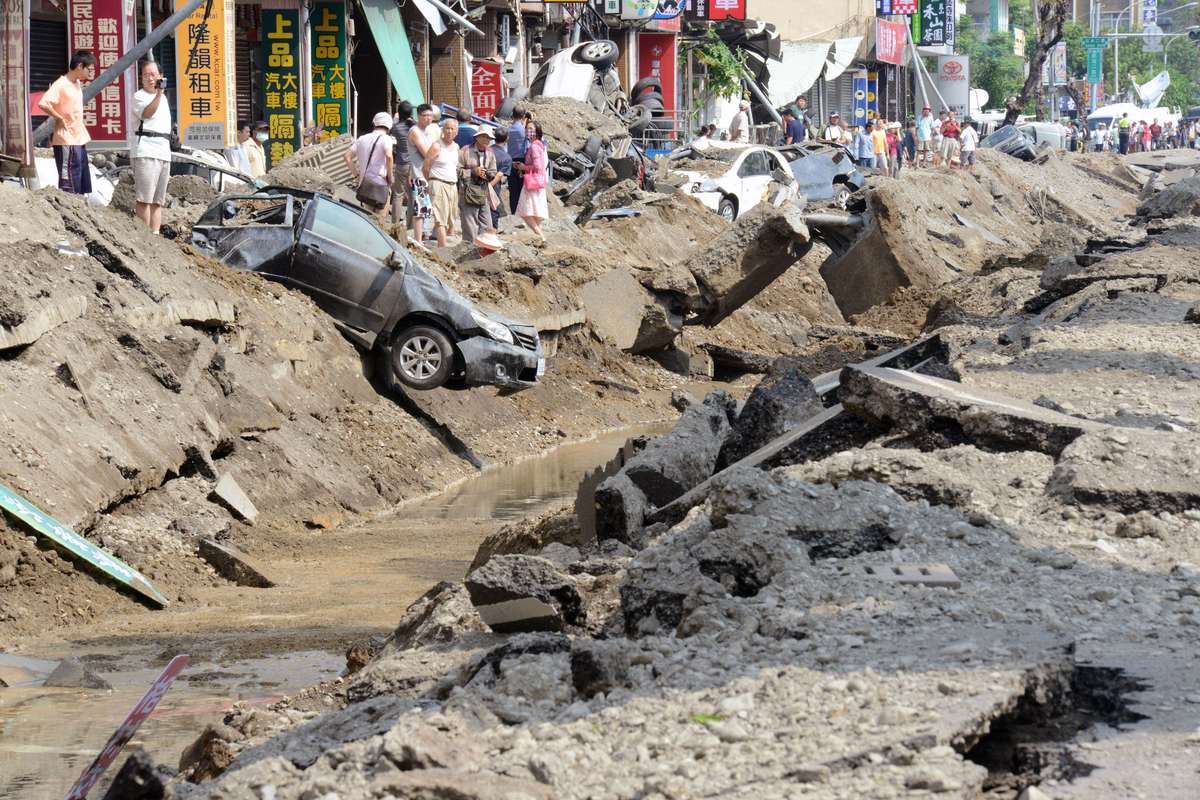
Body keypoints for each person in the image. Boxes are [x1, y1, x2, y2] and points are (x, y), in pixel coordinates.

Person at [39, 50, 96, 195]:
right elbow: (43, 103)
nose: (90, 73)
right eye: (89, 69)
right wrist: (59, 118)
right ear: (80, 66)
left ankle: (80, 206)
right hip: (66, 139)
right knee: (69, 182)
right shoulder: (61, 84)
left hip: (79, 139)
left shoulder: (76, 83)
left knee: (80, 182)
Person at [129, 60, 172, 234]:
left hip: (163, 151)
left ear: (161, 76)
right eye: (145, 75)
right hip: (146, 150)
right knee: (144, 199)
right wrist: (159, 94)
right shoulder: (139, 96)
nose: (149, 78)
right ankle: (144, 237)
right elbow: (147, 114)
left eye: (153, 74)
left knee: (157, 201)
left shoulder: (164, 98)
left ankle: (155, 236)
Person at [344, 112, 395, 217]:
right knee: (379, 221)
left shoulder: (362, 138)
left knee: (367, 218)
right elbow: (389, 156)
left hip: (365, 186)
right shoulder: (386, 139)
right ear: (389, 126)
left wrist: (357, 176)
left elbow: (347, 156)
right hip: (380, 186)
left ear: (374, 123)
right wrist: (390, 178)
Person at [458, 127, 500, 243]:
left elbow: (493, 171)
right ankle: (468, 248)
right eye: (484, 137)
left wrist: (488, 174)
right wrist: (473, 171)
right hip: (467, 192)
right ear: (477, 137)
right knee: (469, 226)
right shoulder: (465, 151)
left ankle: (483, 248)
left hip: (483, 191)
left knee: (487, 225)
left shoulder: (490, 153)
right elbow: (456, 170)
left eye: (489, 138)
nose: (487, 140)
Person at [424, 117, 460, 247]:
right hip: (438, 182)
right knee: (440, 218)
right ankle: (443, 247)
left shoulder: (456, 147)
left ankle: (443, 243)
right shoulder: (436, 145)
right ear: (443, 130)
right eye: (447, 128)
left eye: (452, 129)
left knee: (451, 216)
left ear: (456, 131)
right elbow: (426, 165)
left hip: (452, 184)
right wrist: (430, 182)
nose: (449, 131)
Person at [408, 103, 438, 243]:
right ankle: (418, 240)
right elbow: (427, 153)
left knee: (426, 207)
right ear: (418, 116)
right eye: (425, 115)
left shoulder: (428, 131)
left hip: (428, 174)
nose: (428, 118)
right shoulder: (415, 131)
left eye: (430, 115)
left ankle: (424, 236)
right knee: (420, 209)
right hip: (419, 175)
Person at [517, 120, 549, 241]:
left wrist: (523, 167)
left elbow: (537, 167)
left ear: (537, 131)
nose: (528, 131)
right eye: (527, 128)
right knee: (535, 213)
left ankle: (541, 236)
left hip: (532, 182)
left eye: (530, 129)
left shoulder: (534, 146)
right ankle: (539, 238)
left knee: (526, 212)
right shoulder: (539, 145)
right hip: (538, 182)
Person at [390, 101, 414, 227]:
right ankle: (410, 225)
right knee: (412, 195)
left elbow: (391, 128)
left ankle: (395, 224)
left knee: (398, 194)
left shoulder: (396, 127)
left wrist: (395, 118)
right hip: (414, 165)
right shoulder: (415, 127)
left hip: (401, 163)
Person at [507, 108, 529, 215]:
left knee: (513, 190)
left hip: (510, 162)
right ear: (523, 116)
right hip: (523, 162)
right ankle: (523, 212)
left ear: (512, 115)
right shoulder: (525, 131)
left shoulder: (508, 130)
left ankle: (513, 212)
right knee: (523, 189)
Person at [491, 128, 512, 229]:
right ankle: (493, 231)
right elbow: (499, 175)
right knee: (493, 209)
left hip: (480, 183)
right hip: (494, 187)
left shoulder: (487, 150)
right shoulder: (507, 157)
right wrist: (490, 186)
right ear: (507, 139)